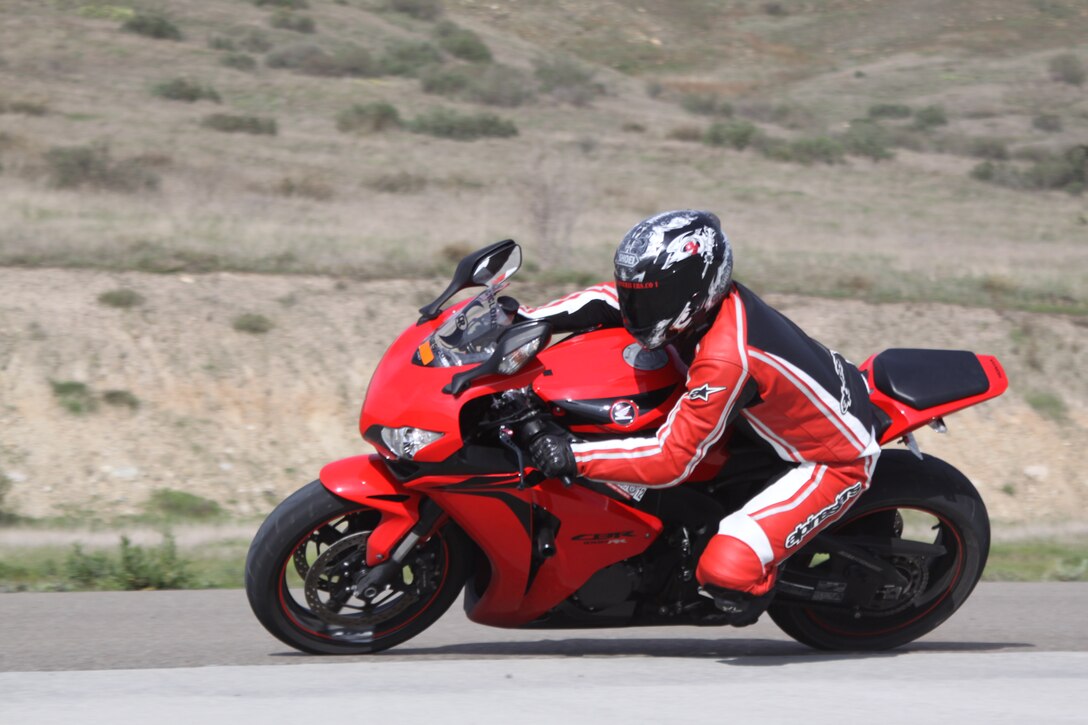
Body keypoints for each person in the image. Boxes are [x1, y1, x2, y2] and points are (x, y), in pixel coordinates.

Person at [521, 210, 881, 625]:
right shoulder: (699, 309)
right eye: (636, 292)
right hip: (768, 421)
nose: (636, 307)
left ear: (695, 292)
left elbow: (671, 459)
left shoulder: (726, 358)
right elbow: (605, 298)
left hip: (832, 460)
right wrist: (528, 319)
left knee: (724, 572)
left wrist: (573, 456)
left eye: (650, 297)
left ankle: (754, 583)